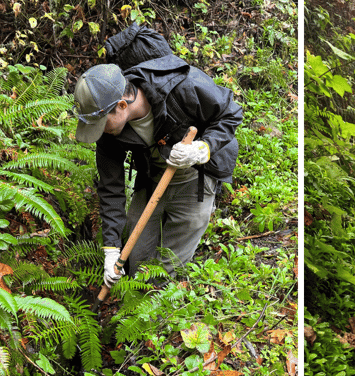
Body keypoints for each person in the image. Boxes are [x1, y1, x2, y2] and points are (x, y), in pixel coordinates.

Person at [74, 56, 242, 289]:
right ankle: (133, 298)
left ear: (122, 106)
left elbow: (230, 113)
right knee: (137, 260)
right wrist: (111, 249)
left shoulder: (183, 88)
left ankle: (156, 308)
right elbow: (111, 188)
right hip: (153, 177)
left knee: (170, 263)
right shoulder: (108, 134)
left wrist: (203, 148)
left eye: (101, 124)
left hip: (194, 176)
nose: (100, 132)